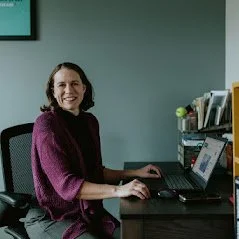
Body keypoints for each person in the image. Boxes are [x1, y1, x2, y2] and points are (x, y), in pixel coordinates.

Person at [24, 62, 161, 239]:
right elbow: (66, 186)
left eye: (74, 83)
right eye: (61, 85)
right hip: (52, 217)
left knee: (134, 235)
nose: (68, 90)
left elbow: (95, 172)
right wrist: (119, 190)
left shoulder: (89, 122)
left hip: (87, 214)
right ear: (52, 91)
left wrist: (135, 172)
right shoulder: (46, 124)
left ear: (84, 88)